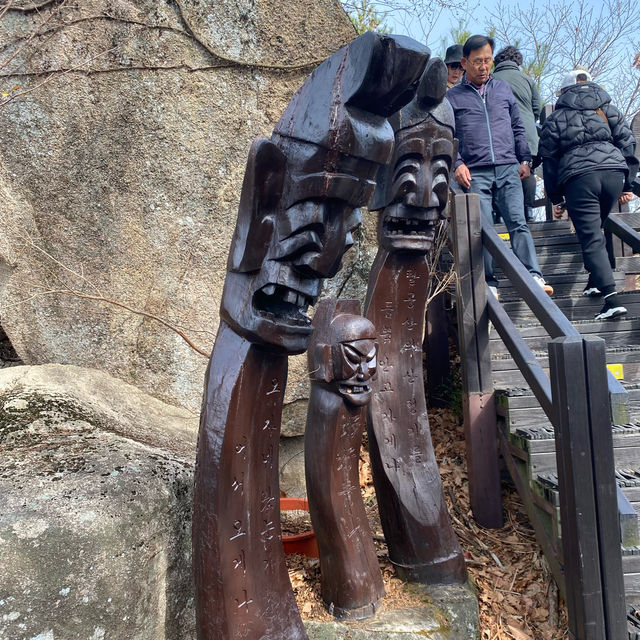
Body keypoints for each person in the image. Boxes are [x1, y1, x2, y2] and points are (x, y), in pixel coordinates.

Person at [446, 35, 552, 297]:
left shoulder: (502, 89)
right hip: (474, 171)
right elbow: (447, 135)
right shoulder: (452, 98)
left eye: (488, 60)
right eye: (478, 61)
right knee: (483, 228)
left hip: (508, 166)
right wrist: (457, 164)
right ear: (465, 62)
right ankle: (489, 282)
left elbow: (518, 126)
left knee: (518, 222)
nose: (484, 66)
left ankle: (534, 275)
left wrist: (525, 159)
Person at [539, 69, 638, 320]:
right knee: (598, 228)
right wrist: (627, 183)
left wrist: (556, 198)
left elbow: (549, 161)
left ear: (563, 93)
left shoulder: (556, 118)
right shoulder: (608, 109)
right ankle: (595, 281)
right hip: (613, 173)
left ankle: (611, 299)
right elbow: (628, 143)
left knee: (591, 236)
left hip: (581, 177)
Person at [492, 46, 541, 221]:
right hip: (528, 133)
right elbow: (537, 109)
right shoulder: (528, 80)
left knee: (499, 173)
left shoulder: (492, 79)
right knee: (528, 169)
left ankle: (498, 213)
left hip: (500, 134)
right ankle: (528, 211)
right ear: (517, 62)